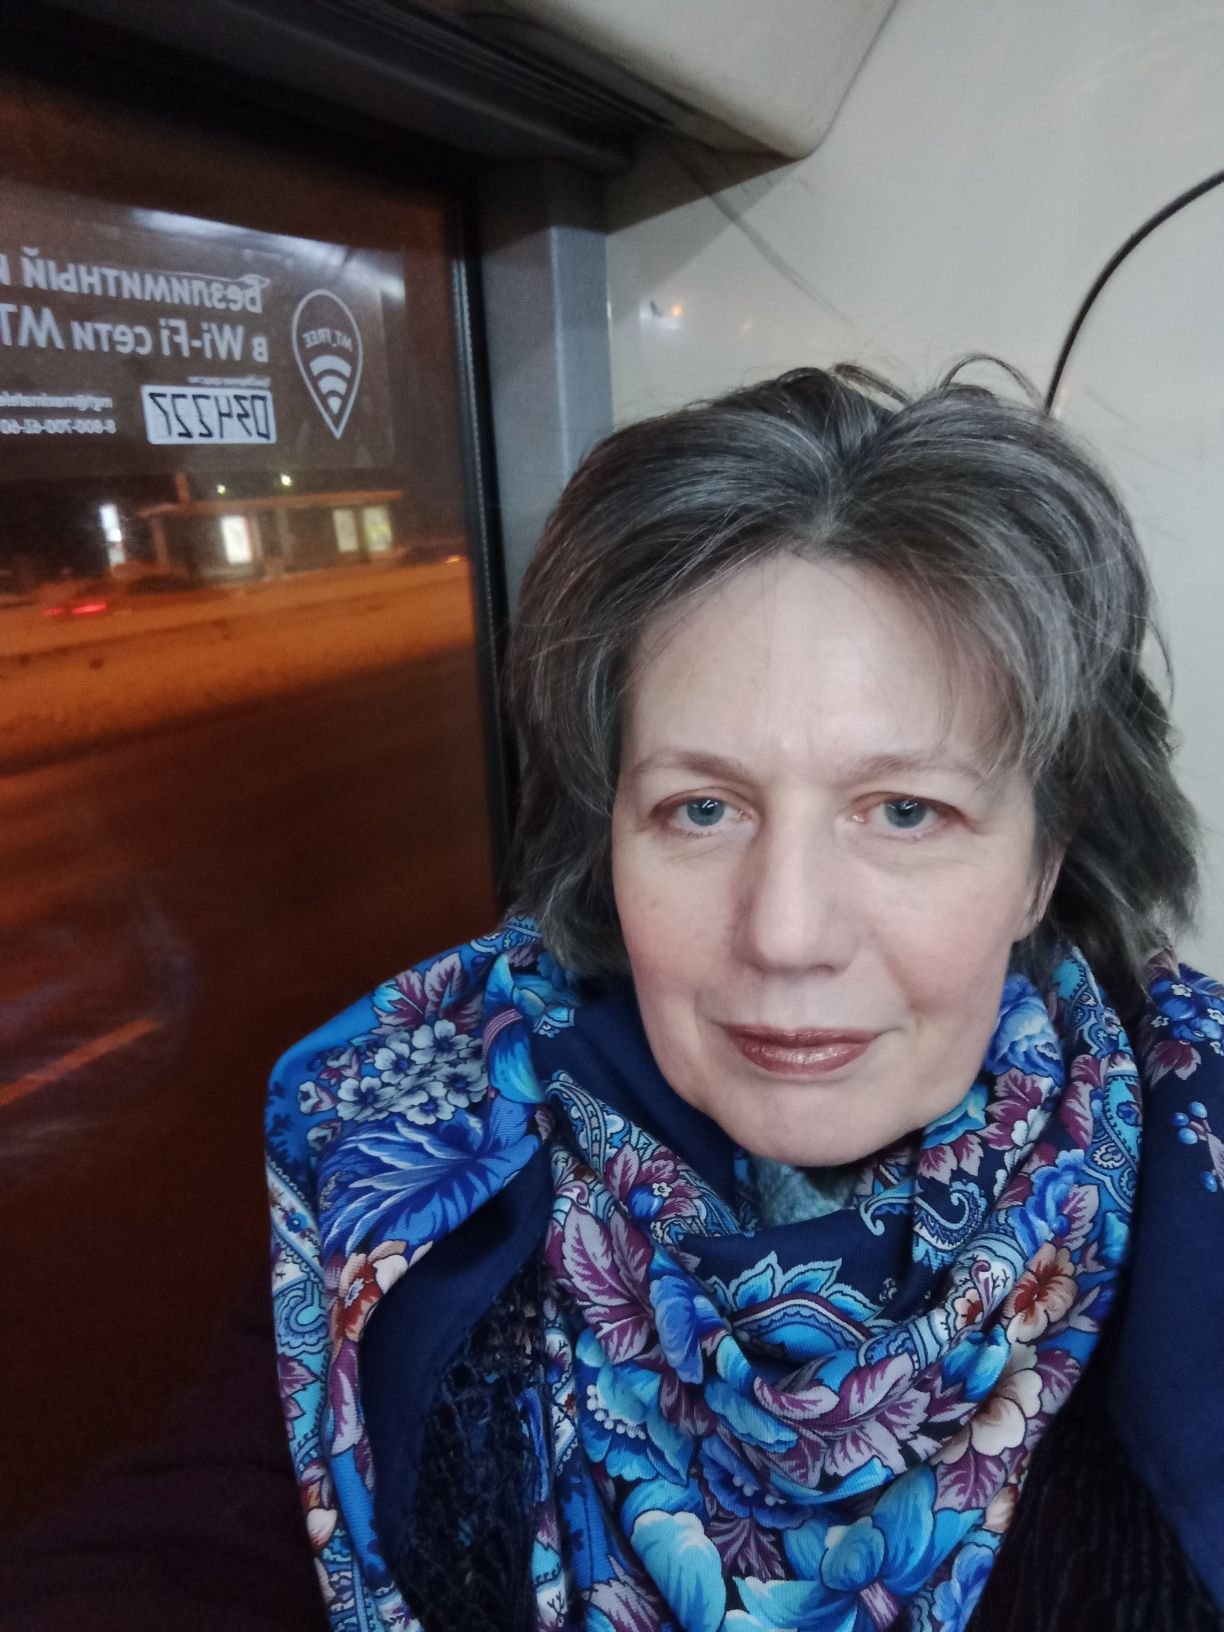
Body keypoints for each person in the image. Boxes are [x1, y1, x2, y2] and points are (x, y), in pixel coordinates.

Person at [266, 365, 1224, 1632]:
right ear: (607, 836)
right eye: (702, 809)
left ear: (1044, 856)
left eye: (904, 811)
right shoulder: (405, 1154)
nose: (785, 933)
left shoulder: (1195, 1171)